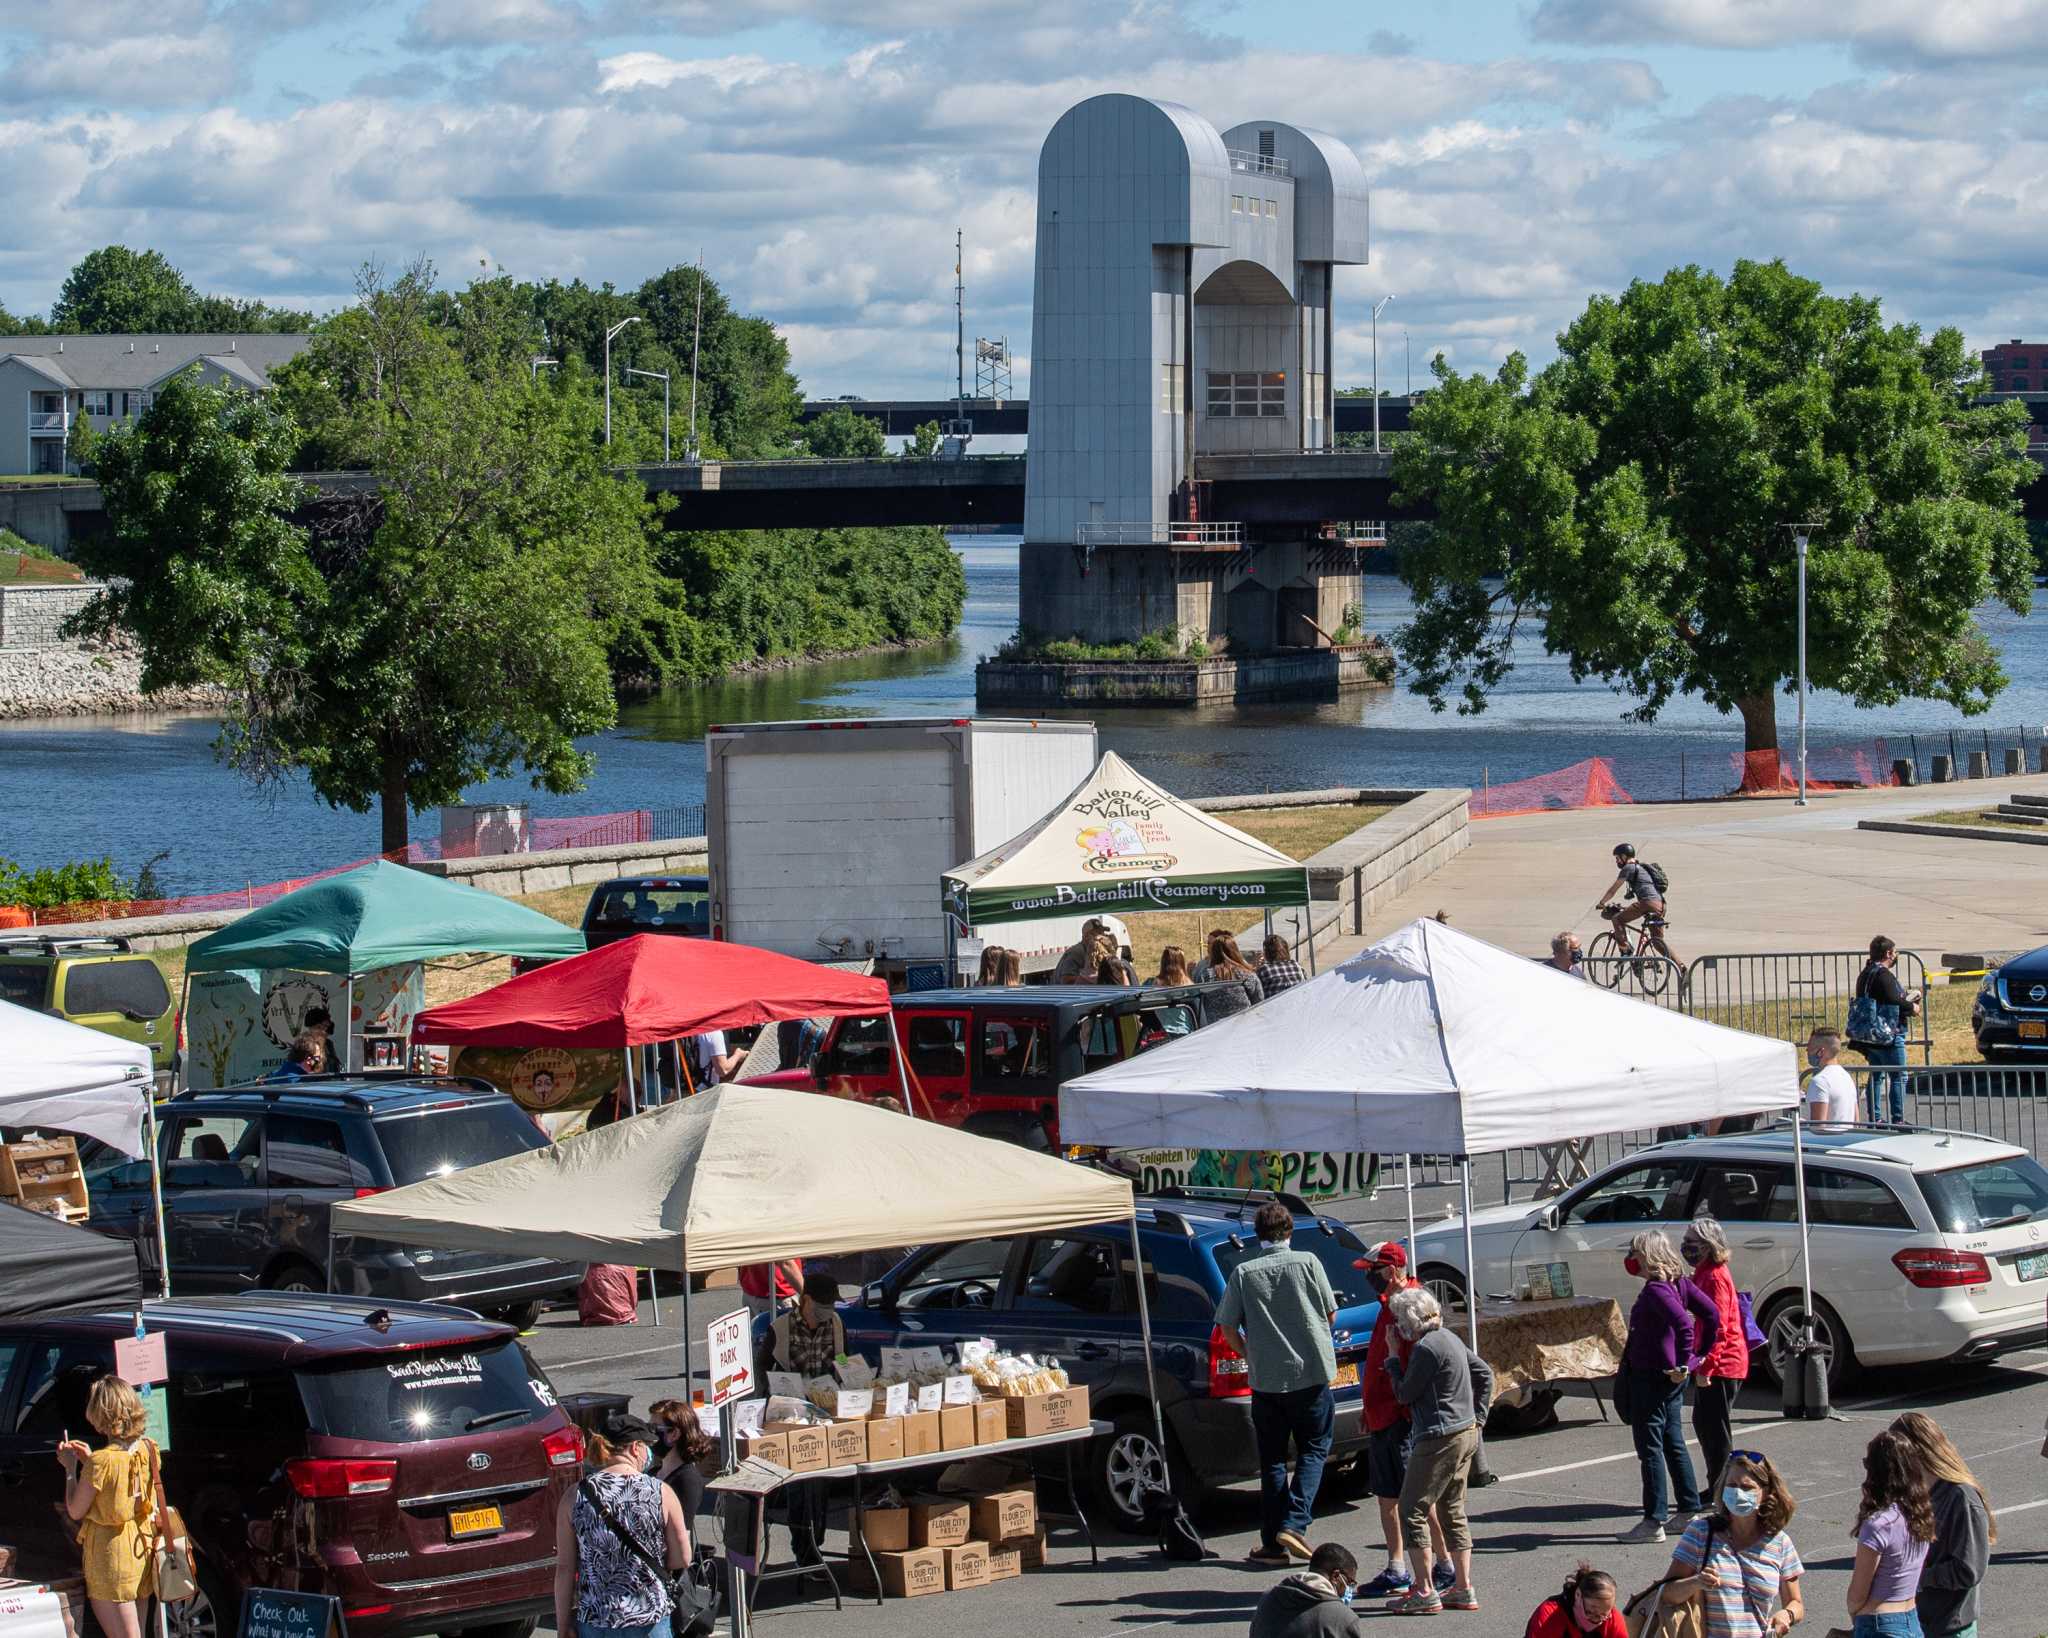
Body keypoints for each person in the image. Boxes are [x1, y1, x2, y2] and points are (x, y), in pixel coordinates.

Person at [1214, 1200, 1337, 1567]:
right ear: (1290, 1231)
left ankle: (1273, 1544)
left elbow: (1226, 1327)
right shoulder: (1309, 1263)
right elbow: (1330, 1314)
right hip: (1310, 1374)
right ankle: (1295, 1523)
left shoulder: (1243, 1272)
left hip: (1266, 1380)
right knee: (1314, 1448)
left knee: (1272, 1462)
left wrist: (1251, 1352)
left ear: (1257, 1234)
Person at [1380, 1285, 1490, 1615]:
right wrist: (1478, 1417)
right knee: (1452, 1509)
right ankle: (1462, 1587)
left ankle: (1425, 1589)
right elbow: (1484, 1372)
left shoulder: (1426, 1348)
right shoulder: (1449, 1338)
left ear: (1410, 1320)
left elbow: (1404, 1394)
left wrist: (1391, 1358)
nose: (1397, 1325)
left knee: (1411, 1509)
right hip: (1464, 1432)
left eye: (1399, 1318)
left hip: (1438, 1436)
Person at [1351, 1242, 1452, 1602]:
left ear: (1392, 1271)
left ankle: (1443, 1565)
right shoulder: (1387, 1305)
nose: (1368, 1278)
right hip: (1382, 1417)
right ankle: (1396, 1568)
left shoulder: (1410, 1306)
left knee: (1419, 1502)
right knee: (1388, 1498)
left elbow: (1413, 1367)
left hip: (1402, 1421)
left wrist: (1403, 1411)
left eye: (1373, 1271)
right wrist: (1369, 1407)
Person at [554, 1409, 690, 1638]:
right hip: (650, 1618)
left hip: (597, 1620)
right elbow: (682, 1558)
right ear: (635, 1447)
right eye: (647, 1446)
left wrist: (563, 1624)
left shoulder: (574, 1496)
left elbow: (565, 1568)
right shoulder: (662, 1493)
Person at [1619, 1229, 1717, 1544]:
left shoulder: (1657, 1291)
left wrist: (1690, 1360)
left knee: (1650, 1448)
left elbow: (1686, 1324)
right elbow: (1710, 1315)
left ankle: (1653, 1520)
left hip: (1652, 1377)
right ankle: (1688, 1509)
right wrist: (1695, 1359)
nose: (1631, 1259)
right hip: (1669, 1378)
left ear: (1646, 1256)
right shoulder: (1680, 1284)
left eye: (1634, 1252)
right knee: (1673, 1440)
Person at [1659, 1451, 1805, 1638]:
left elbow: (1796, 1602)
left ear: (1765, 1493)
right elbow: (1666, 1594)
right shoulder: (1701, 1533)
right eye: (1732, 1486)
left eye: (1746, 1487)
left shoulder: (1780, 1542)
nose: (1738, 1493)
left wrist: (1787, 1614)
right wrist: (1695, 1582)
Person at [56, 1376, 156, 1638]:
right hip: (138, 1549)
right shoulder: (146, 1448)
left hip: (110, 1559)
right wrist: (90, 1461)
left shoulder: (101, 1462)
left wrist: (70, 1469)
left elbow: (75, 1510)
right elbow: (122, 1490)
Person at [758, 1271, 846, 1563]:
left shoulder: (835, 1324)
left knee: (819, 1485)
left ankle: (814, 1547)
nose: (828, 1311)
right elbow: (761, 1370)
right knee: (799, 1486)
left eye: (831, 1305)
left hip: (824, 1413)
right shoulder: (780, 1328)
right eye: (822, 1305)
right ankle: (805, 1551)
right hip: (791, 1417)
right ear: (805, 1300)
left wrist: (850, 1373)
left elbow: (843, 1359)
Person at [1890, 1411, 1992, 1638]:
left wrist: (1916, 1576)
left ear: (1919, 1452)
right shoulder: (1913, 1492)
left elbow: (1968, 1570)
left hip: (1948, 1628)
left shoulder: (1961, 1498)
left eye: (1897, 1456)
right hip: (1916, 1622)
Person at [1682, 1215, 1749, 1491]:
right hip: (1715, 1361)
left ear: (1708, 1246)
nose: (1685, 1246)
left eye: (1691, 1242)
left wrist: (1706, 1368)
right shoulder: (1703, 1273)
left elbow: (1718, 1328)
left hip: (1723, 1363)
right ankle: (1718, 1485)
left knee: (1715, 1431)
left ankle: (1722, 1488)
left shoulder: (1714, 1277)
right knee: (1704, 1423)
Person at [1848, 1429, 1935, 1636]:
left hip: (1880, 1622)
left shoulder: (1878, 1524)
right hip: (1911, 1620)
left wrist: (1856, 1616)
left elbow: (1858, 1594)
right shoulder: (1920, 1516)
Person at [1852, 936, 1920, 1125]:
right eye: (1895, 952)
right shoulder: (1883, 975)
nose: (1896, 955)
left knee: (1877, 1074)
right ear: (1888, 953)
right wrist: (1912, 1006)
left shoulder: (1866, 973)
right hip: (1888, 1033)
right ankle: (1897, 1119)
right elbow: (1893, 999)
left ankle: (1875, 1118)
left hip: (1870, 1033)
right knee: (1899, 1075)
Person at [1249, 1542, 1362, 1638]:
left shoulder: (1268, 1598)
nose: (1349, 1590)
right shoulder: (1342, 1619)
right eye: (1350, 1583)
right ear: (1336, 1576)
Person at [1598, 842, 1681, 967]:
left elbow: (1613, 890)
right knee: (1658, 942)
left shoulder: (1628, 868)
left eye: (1617, 858)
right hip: (1660, 905)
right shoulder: (1641, 868)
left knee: (1617, 918)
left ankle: (1625, 950)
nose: (1617, 861)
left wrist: (1601, 903)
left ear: (1624, 856)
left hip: (1647, 903)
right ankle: (1681, 967)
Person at [648, 1398, 717, 1526]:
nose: (649, 1434)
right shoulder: (654, 1471)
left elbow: (682, 1532)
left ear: (674, 1434)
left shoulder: (687, 1480)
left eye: (654, 1428)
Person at [1524, 1564, 1627, 1637]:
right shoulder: (1549, 1616)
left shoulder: (1611, 1617)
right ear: (1578, 1595)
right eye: (1591, 1612)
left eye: (1603, 1615)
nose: (1596, 1621)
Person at [1201, 932, 1266, 1019]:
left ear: (1214, 953)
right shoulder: (1247, 974)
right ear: (1235, 951)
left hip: (1216, 1027)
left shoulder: (1206, 975)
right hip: (1246, 1023)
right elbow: (1259, 1001)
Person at [1805, 1028, 1858, 1126]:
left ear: (1821, 1052)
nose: (1807, 1050)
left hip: (1827, 1140)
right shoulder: (1847, 1077)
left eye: (1810, 1047)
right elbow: (1856, 1120)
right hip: (1848, 1139)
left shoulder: (1820, 1081)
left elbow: (1818, 1128)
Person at [737, 1257, 804, 1327]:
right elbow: (785, 1263)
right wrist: (807, 1294)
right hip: (775, 1296)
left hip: (752, 1290)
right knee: (784, 1335)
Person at [304, 1004, 342, 1071]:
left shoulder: (328, 1044)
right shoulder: (304, 1044)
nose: (324, 1031)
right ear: (313, 1027)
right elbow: (308, 1068)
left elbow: (335, 1066)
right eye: (322, 1027)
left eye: (326, 1027)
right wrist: (318, 1051)